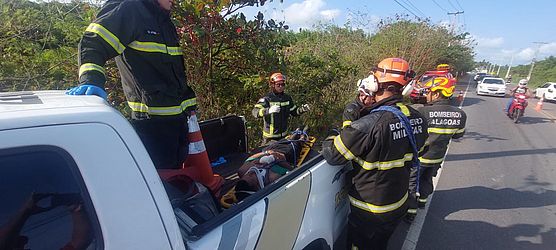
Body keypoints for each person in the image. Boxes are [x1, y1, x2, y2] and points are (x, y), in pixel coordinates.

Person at [67, 0, 197, 170]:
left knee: (176, 180)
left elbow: (174, 74)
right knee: (160, 186)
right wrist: (92, 80)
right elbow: (94, 42)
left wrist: (189, 106)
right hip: (151, 128)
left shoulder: (163, 21)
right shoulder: (131, 9)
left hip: (176, 125)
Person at [322, 58, 428, 250]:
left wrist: (340, 129)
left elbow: (333, 154)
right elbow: (418, 151)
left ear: (374, 83)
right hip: (399, 203)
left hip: (370, 211)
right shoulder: (418, 118)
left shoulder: (368, 125)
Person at [406, 77, 467, 221]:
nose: (427, 95)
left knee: (412, 184)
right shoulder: (460, 114)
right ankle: (422, 203)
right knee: (427, 179)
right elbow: (458, 135)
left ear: (437, 94)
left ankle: (410, 212)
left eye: (429, 92)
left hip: (420, 158)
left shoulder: (423, 112)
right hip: (437, 157)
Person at [252, 73, 310, 144]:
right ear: (272, 85)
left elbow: (294, 111)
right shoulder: (267, 98)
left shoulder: (287, 98)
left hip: (284, 136)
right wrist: (268, 110)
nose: (280, 87)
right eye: (278, 85)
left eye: (282, 84)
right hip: (270, 138)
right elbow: (255, 112)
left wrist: (302, 109)